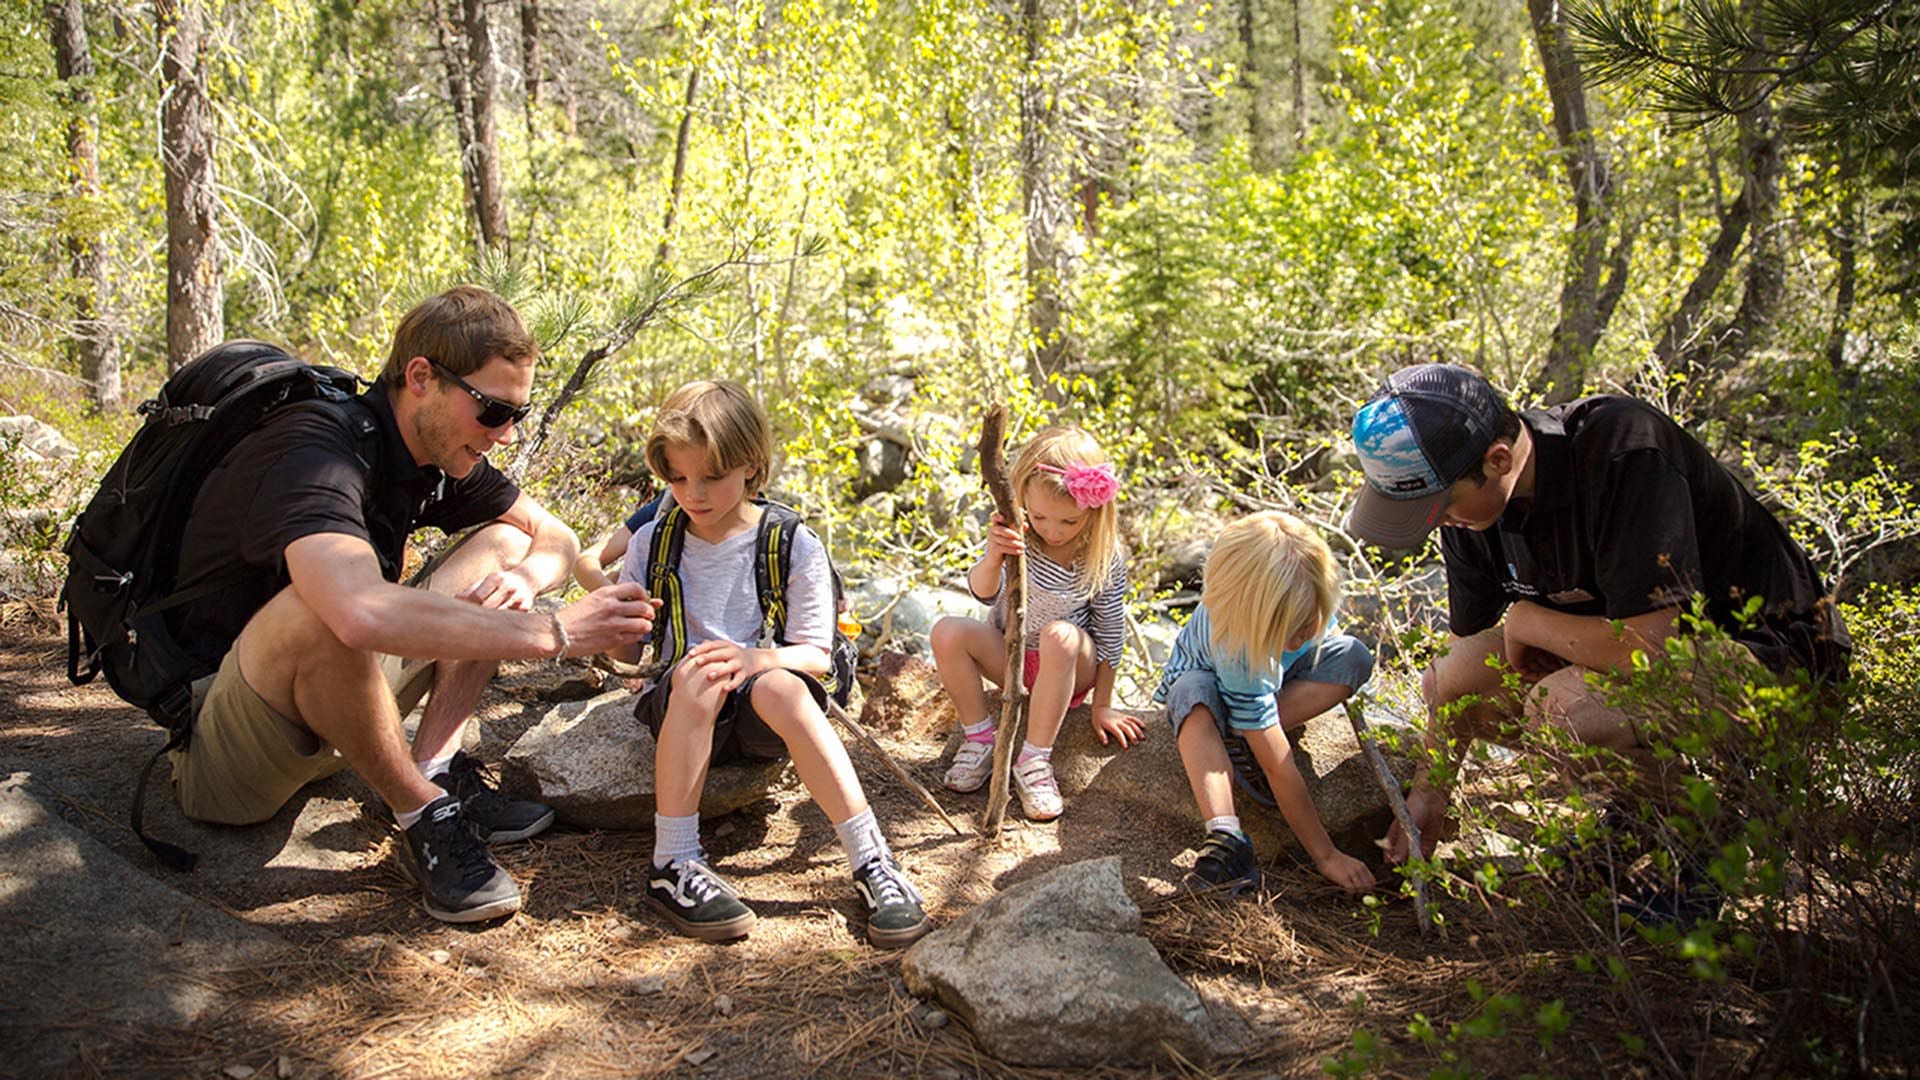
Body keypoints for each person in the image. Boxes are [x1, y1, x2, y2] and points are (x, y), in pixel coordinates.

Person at [164, 286, 662, 923]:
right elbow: (355, 614)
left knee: (505, 547)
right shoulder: (315, 449)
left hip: (333, 705)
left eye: (519, 413)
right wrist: (553, 631)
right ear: (422, 377)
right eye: (492, 410)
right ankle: (420, 812)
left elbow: (554, 536)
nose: (506, 434)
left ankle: (435, 768)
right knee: (320, 606)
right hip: (226, 746)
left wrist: (529, 580)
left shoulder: (427, 453)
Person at [1345, 363, 1850, 875]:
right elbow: (1458, 670)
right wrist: (1430, 793)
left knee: (1564, 707)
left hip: (1777, 661)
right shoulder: (1471, 512)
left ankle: (1702, 848)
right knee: (1453, 674)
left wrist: (1529, 623)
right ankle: (1643, 814)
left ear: (1498, 460)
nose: (1437, 521)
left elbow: (1649, 649)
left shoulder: (1623, 450)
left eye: (1439, 506)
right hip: (1653, 667)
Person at [611, 379, 930, 947]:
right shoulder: (652, 544)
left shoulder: (790, 542)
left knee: (781, 687)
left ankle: (871, 858)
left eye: (712, 477)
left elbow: (816, 655)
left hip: (765, 707)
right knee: (698, 674)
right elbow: (628, 656)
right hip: (685, 705)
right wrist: (618, 625)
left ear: (751, 467)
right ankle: (674, 861)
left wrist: (753, 657)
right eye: (678, 478)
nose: (693, 493)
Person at [1153, 511, 1378, 895]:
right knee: (1193, 694)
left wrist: (1308, 635)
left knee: (1353, 656)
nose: (1303, 634)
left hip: (1273, 680)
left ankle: (1248, 733)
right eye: (1292, 629)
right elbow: (1278, 765)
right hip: (1216, 689)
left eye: (1309, 623)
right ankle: (1226, 838)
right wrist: (1326, 856)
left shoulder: (1306, 589)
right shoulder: (1239, 650)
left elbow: (1325, 648)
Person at [929, 426, 1143, 821]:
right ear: (1022, 496)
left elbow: (1112, 632)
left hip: (1069, 665)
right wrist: (994, 557)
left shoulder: (1102, 554)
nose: (1052, 530)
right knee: (946, 631)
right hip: (1012, 657)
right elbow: (983, 593)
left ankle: (1034, 760)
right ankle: (979, 738)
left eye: (1068, 522)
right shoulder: (1017, 531)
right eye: (1040, 516)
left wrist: (1104, 705)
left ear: (1094, 511)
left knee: (1058, 636)